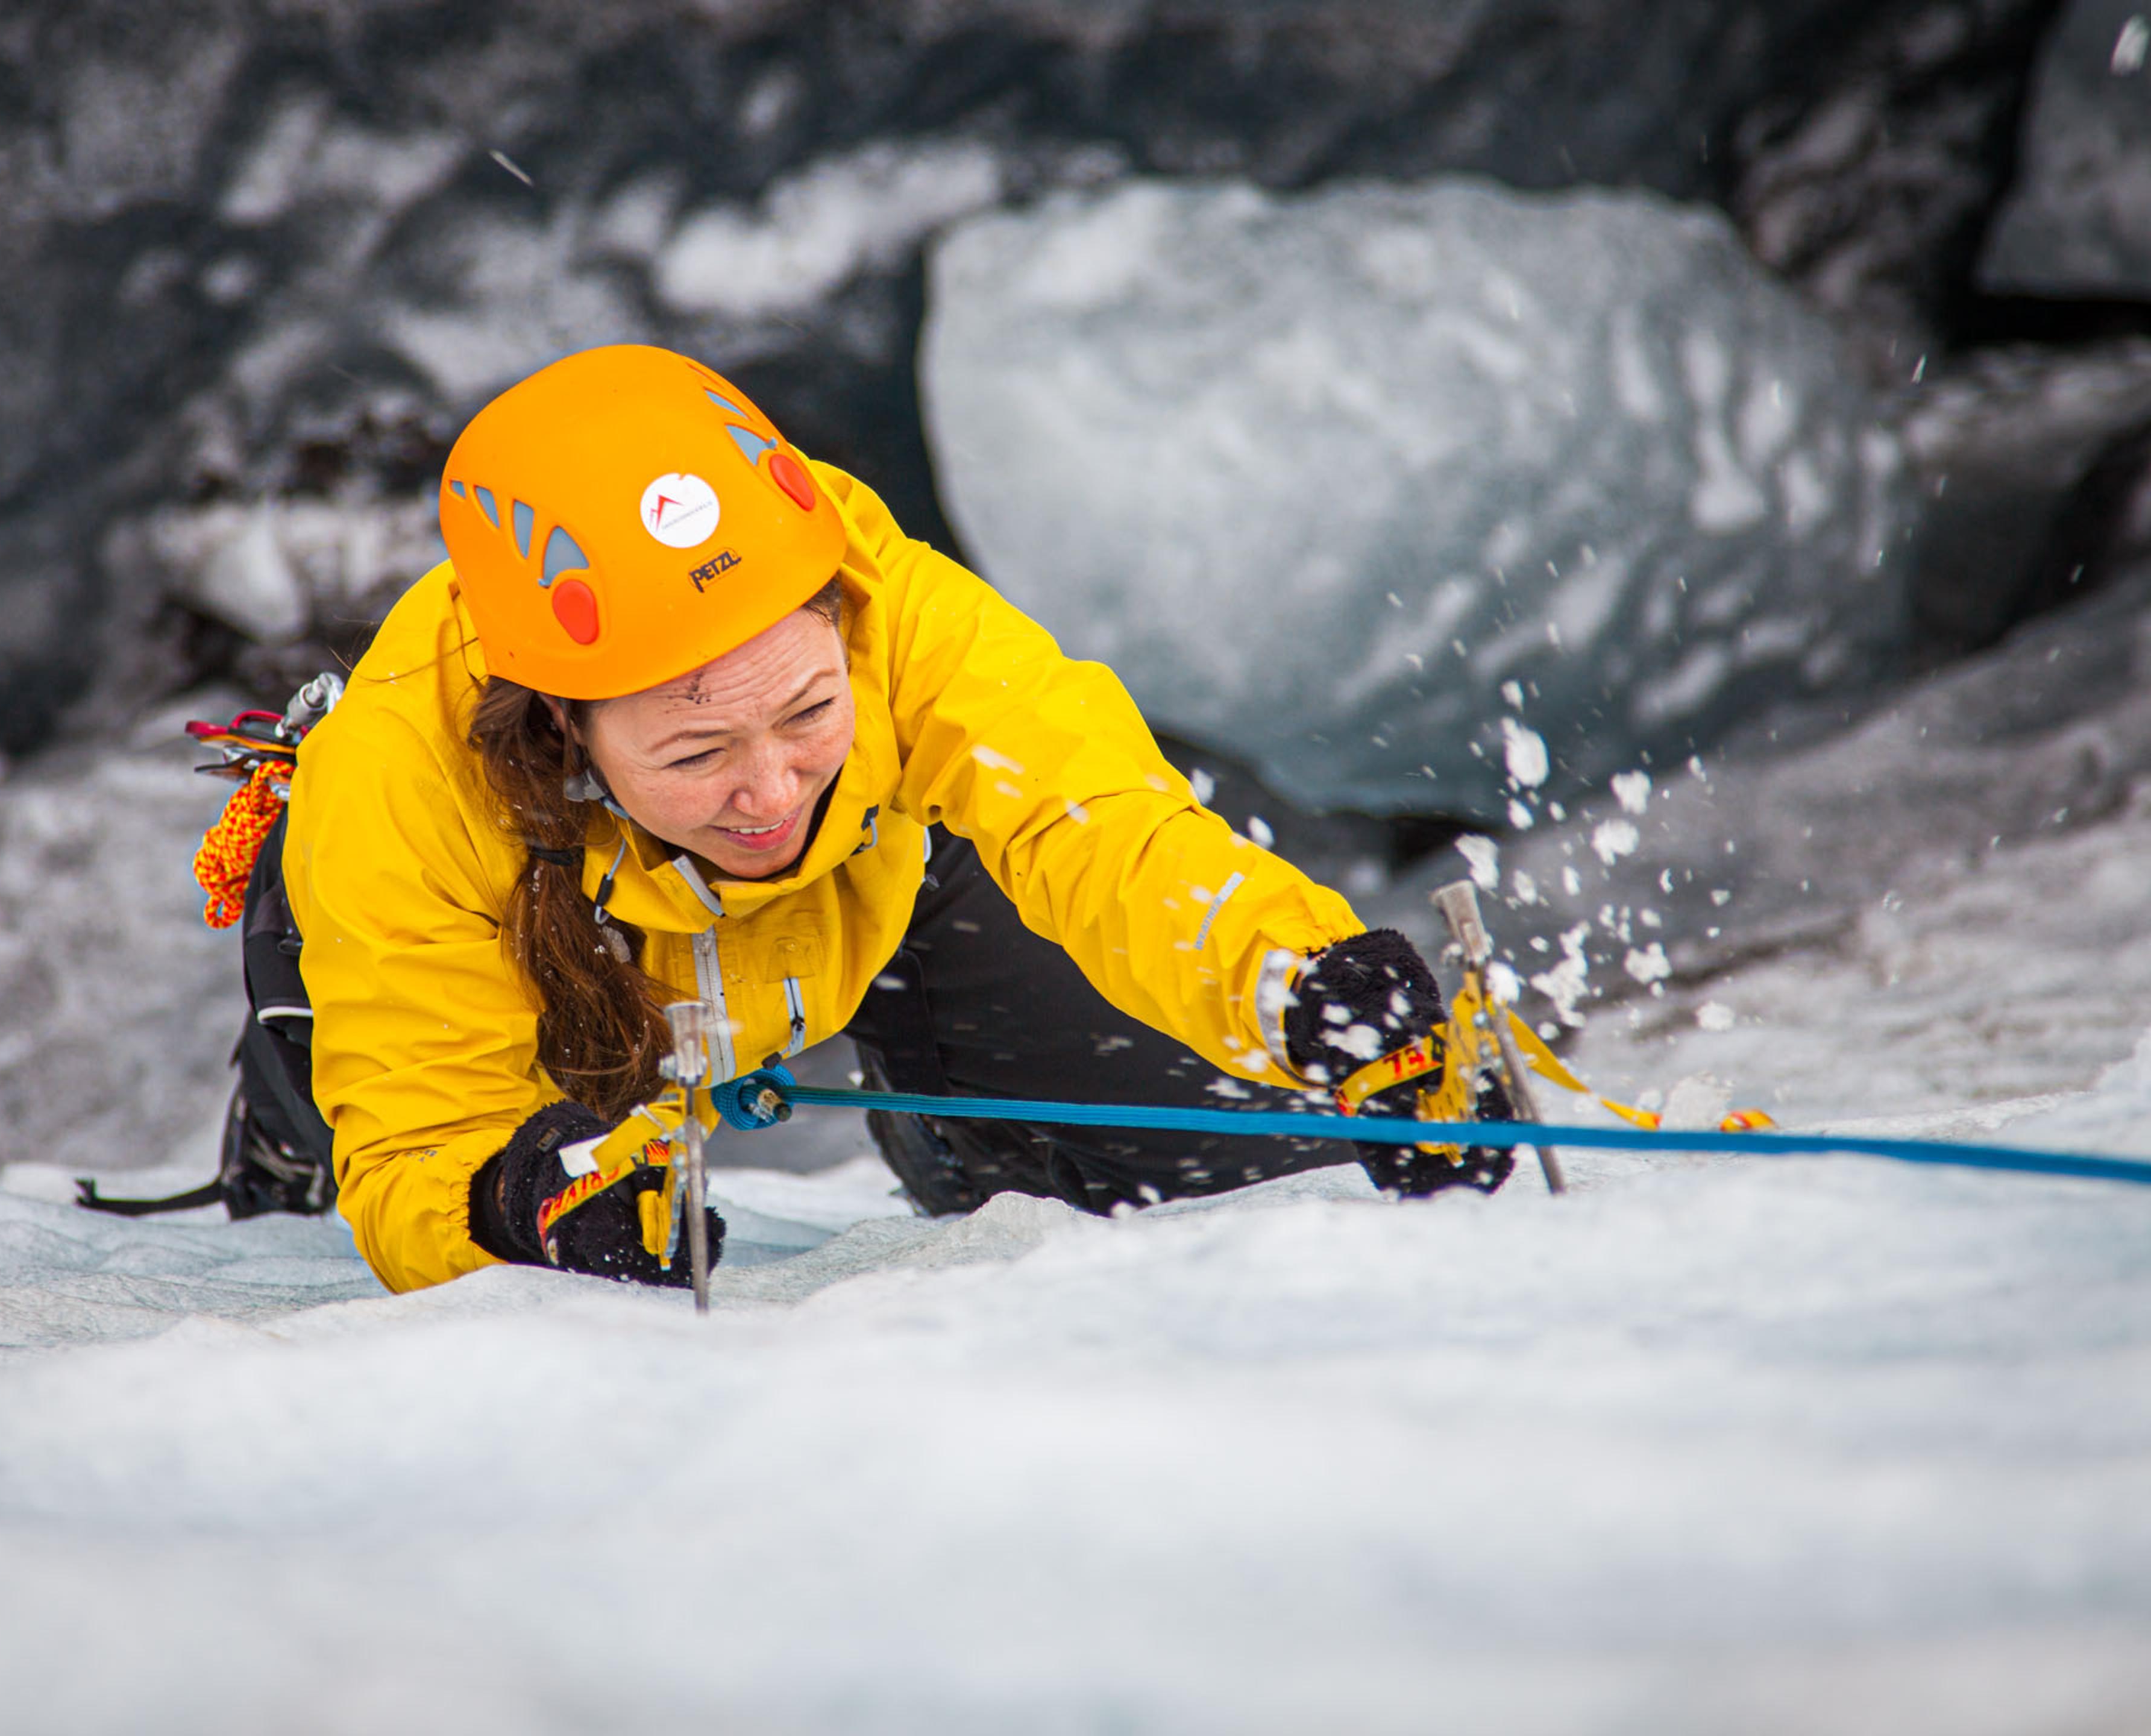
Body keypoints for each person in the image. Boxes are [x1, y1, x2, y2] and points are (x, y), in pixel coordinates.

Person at [282, 345, 1509, 1294]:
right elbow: (421, 1147)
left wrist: (1306, 991)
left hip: (872, 909)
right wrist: (508, 1205)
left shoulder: (900, 610)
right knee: (573, 1256)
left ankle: (956, 1123)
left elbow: (1107, 830)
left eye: (812, 713)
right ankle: (282, 1081)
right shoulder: (402, 783)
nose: (770, 793)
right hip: (554, 965)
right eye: (698, 750)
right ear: (561, 725)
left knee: (1206, 1171)